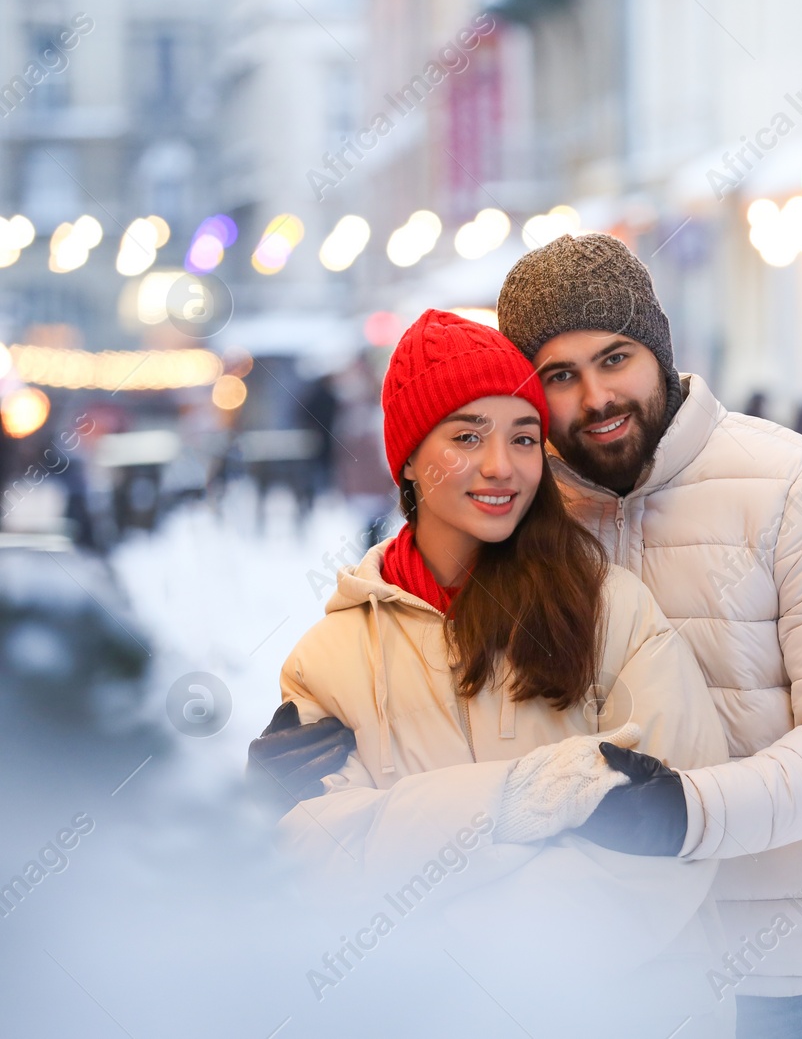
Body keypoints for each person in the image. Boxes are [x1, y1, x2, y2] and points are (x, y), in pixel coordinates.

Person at [251, 310, 731, 1035]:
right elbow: (318, 864)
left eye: (524, 437)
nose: (502, 466)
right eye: (467, 435)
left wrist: (450, 951)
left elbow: (667, 839)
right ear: (409, 457)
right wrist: (518, 799)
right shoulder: (329, 659)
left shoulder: (611, 612)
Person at [497, 234, 802, 1038]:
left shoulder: (800, 490)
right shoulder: (523, 514)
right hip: (589, 967)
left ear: (658, 349)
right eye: (560, 374)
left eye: (614, 356)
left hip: (774, 972)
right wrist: (339, 725)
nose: (595, 396)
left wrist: (689, 814)